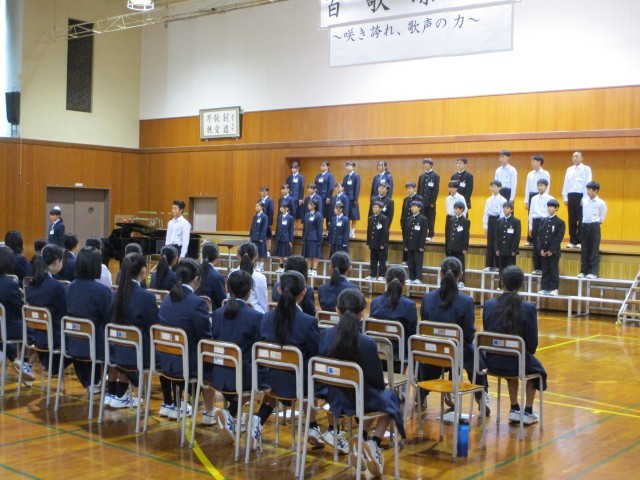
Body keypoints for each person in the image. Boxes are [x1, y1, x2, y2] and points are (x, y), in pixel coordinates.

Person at [319, 289, 406, 477]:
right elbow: (377, 381)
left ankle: (362, 439)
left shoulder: (325, 335)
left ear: (337, 310)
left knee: (372, 398)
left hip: (334, 398)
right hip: (359, 399)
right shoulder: (367, 343)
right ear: (362, 313)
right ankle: (374, 442)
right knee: (391, 399)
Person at [250, 271, 321, 451]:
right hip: (298, 385)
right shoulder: (308, 322)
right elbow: (316, 353)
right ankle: (313, 426)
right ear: (303, 292)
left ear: (279, 290)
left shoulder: (266, 317)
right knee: (312, 373)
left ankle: (258, 419)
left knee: (281, 372)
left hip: (269, 380)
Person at [420, 257, 490, 412]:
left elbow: (424, 325)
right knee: (475, 353)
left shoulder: (427, 298)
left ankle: (421, 394)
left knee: (426, 351)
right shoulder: (466, 301)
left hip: (433, 351)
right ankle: (481, 394)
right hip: (456, 352)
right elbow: (469, 334)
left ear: (441, 273)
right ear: (461, 275)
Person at [483, 265, 547, 424]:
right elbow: (532, 346)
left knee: (511, 359)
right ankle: (528, 411)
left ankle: (514, 407)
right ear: (522, 285)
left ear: (501, 282)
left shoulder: (489, 305)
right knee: (537, 370)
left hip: (491, 362)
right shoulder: (528, 308)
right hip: (515, 362)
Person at [157, 258, 212, 419]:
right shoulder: (197, 303)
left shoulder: (167, 298)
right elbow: (205, 337)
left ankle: (175, 403)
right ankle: (209, 413)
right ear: (197, 279)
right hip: (186, 364)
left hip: (164, 359)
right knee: (213, 360)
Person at [211, 269, 263, 437]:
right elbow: (258, 350)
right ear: (249, 292)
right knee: (264, 376)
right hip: (241, 377)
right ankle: (231, 412)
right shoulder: (255, 317)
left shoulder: (217, 313)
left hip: (216, 374)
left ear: (228, 289)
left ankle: (232, 415)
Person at [106, 252, 159, 408]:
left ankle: (113, 393)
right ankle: (121, 395)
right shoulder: (146, 297)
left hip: (114, 350)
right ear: (143, 270)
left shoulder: (115, 294)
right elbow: (153, 326)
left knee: (127, 341)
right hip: (137, 353)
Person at [65, 247, 113, 391]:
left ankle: (93, 382)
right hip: (95, 346)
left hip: (72, 343)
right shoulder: (102, 291)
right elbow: (109, 319)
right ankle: (111, 384)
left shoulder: (69, 287)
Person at [25, 244, 68, 379]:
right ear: (56, 262)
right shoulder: (56, 286)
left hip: (35, 335)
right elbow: (63, 314)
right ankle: (95, 383)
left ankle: (28, 365)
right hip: (53, 339)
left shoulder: (30, 285)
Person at [0, 245, 33, 384]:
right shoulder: (10, 284)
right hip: (8, 326)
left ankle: (16, 359)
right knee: (33, 332)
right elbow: (20, 307)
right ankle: (25, 365)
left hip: (3, 326)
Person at [369, 266, 417, 361]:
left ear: (386, 281)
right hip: (400, 356)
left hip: (377, 353)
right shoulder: (410, 305)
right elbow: (412, 334)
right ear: (404, 283)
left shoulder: (375, 302)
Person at [561, 151, 592, 248]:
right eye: (573, 157)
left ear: (582, 158)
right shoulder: (569, 169)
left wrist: (585, 198)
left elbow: (588, 183)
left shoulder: (586, 169)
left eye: (577, 156)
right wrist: (565, 196)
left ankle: (580, 241)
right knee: (572, 219)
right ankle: (573, 241)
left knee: (581, 218)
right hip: (571, 195)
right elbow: (566, 183)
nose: (574, 158)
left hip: (581, 195)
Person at [578, 181, 607, 279]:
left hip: (594, 226)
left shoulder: (601, 203)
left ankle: (593, 272)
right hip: (584, 225)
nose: (588, 192)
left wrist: (596, 222)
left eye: (589, 190)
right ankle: (584, 271)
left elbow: (602, 216)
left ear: (595, 190)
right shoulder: (584, 201)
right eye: (587, 189)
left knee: (594, 249)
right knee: (584, 249)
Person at [537, 199, 565, 296]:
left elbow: (558, 237)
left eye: (551, 206)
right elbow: (539, 236)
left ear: (556, 208)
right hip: (544, 251)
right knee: (545, 270)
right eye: (548, 206)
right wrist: (541, 249)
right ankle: (545, 288)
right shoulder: (543, 221)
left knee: (553, 270)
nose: (549, 208)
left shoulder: (560, 222)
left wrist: (551, 250)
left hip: (553, 251)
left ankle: (554, 288)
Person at [523, 154, 551, 245]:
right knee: (531, 216)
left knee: (542, 216)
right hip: (532, 195)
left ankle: (541, 238)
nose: (532, 163)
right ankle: (530, 239)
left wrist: (546, 198)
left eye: (533, 161)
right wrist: (526, 200)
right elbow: (527, 187)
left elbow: (547, 186)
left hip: (542, 195)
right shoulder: (530, 174)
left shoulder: (545, 173)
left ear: (539, 162)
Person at [528, 179, 554, 275]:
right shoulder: (534, 198)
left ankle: (544, 268)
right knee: (536, 245)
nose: (539, 187)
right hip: (535, 221)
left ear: (546, 187)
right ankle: (537, 267)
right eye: (538, 185)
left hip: (545, 221)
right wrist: (530, 226)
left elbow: (551, 213)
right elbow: (531, 213)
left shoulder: (550, 198)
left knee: (544, 244)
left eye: (541, 185)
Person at [235, 242, 268, 314]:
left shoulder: (232, 274)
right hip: (255, 314)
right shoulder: (260, 277)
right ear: (256, 256)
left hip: (233, 313)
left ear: (238, 255)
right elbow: (264, 304)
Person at [483, 181, 507, 272]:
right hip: (491, 220)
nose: (492, 188)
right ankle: (489, 265)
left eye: (494, 186)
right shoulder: (488, 200)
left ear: (499, 188)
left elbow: (503, 213)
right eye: (491, 186)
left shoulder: (503, 200)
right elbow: (486, 213)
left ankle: (498, 265)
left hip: (499, 220)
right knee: (490, 243)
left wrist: (501, 224)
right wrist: (485, 226)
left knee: (498, 243)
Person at [445, 201, 470, 288]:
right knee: (451, 264)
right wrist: (448, 246)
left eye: (457, 209)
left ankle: (461, 281)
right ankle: (452, 280)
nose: (455, 210)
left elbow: (466, 235)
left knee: (461, 264)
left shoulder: (465, 221)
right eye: (454, 209)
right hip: (451, 246)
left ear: (462, 209)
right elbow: (449, 234)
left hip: (460, 247)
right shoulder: (452, 220)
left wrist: (465, 248)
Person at [402, 200, 427, 284]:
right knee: (410, 262)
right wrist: (405, 244)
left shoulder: (423, 219)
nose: (412, 208)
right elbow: (406, 233)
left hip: (418, 245)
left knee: (418, 262)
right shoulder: (409, 219)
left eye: (414, 206)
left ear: (419, 208)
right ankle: (411, 277)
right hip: (409, 244)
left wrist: (421, 245)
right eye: (411, 206)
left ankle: (418, 278)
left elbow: (423, 233)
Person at [495, 201, 521, 278]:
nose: (505, 209)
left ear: (511, 210)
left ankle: (510, 283)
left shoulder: (516, 221)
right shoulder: (499, 221)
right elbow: (496, 236)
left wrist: (514, 249)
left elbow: (517, 236)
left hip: (510, 250)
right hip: (501, 249)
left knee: (511, 269)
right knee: (501, 269)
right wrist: (497, 248)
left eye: (507, 208)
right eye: (504, 208)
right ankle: (501, 283)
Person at [197, 242, 227, 310]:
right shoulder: (217, 276)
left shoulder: (194, 272)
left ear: (202, 255)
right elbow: (222, 301)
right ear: (217, 257)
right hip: (212, 313)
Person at [365, 200, 389, 281]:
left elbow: (385, 232)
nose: (374, 208)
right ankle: (372, 274)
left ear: (381, 209)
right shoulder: (371, 218)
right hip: (373, 242)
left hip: (380, 243)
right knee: (373, 259)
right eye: (373, 207)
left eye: (376, 207)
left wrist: (383, 243)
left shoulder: (384, 218)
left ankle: (382, 275)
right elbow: (369, 231)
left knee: (382, 260)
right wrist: (368, 242)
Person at [417, 158, 440, 241]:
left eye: (427, 163)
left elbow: (436, 190)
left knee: (430, 218)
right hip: (421, 202)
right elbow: (419, 189)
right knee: (422, 218)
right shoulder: (421, 176)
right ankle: (423, 234)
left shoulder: (435, 176)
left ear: (431, 165)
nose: (425, 165)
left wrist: (433, 202)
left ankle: (431, 234)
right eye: (424, 163)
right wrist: (418, 201)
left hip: (430, 202)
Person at [301, 198, 323, 276]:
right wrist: (303, 237)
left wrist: (319, 239)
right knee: (308, 254)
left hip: (314, 238)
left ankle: (314, 269)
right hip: (307, 237)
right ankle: (309, 268)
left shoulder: (318, 215)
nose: (308, 205)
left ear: (314, 205)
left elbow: (319, 228)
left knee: (314, 254)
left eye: (309, 204)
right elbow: (304, 227)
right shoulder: (307, 215)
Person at [315, 161, 335, 230]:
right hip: (318, 197)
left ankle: (328, 230)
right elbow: (315, 186)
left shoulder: (330, 175)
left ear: (327, 167)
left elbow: (331, 187)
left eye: (323, 165)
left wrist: (328, 197)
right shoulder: (318, 176)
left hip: (325, 197)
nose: (321, 167)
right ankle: (319, 229)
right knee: (318, 213)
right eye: (321, 165)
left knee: (327, 214)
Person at [249, 201, 268, 272]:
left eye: (257, 206)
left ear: (261, 207)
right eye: (256, 206)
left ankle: (261, 266)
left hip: (260, 237)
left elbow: (264, 228)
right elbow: (252, 226)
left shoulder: (264, 216)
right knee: (256, 252)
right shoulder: (255, 216)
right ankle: (257, 265)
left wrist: (262, 237)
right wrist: (251, 235)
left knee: (261, 252)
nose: (256, 207)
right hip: (254, 237)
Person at [343, 161, 361, 238]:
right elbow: (343, 188)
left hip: (353, 199)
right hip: (346, 198)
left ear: (353, 167)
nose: (347, 167)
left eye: (349, 166)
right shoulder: (345, 177)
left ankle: (352, 231)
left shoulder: (356, 176)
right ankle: (346, 231)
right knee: (346, 215)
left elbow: (357, 188)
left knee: (354, 216)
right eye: (347, 166)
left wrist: (355, 199)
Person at [274, 202, 294, 267]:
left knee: (287, 253)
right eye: (281, 207)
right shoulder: (279, 217)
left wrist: (290, 240)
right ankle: (281, 265)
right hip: (279, 237)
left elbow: (291, 229)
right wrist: (276, 237)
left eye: (282, 207)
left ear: (287, 208)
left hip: (286, 238)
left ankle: (288, 266)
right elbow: (277, 228)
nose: (281, 208)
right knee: (280, 253)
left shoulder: (290, 218)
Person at [285, 162, 305, 230]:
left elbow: (302, 188)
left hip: (297, 198)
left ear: (298, 168)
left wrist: (301, 198)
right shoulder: (289, 177)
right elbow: (287, 187)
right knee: (289, 212)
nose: (292, 169)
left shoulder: (301, 177)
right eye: (292, 168)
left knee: (296, 212)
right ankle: (290, 227)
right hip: (289, 197)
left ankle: (296, 227)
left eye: (294, 168)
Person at [259, 186, 275, 253]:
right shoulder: (259, 200)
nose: (262, 193)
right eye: (261, 191)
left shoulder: (270, 201)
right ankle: (261, 250)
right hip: (260, 221)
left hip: (267, 222)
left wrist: (270, 223)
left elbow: (271, 212)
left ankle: (268, 250)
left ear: (267, 192)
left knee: (268, 237)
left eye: (263, 191)